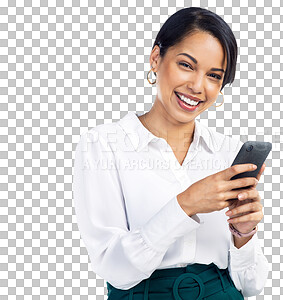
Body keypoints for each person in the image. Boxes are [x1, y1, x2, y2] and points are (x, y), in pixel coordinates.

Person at [73, 7, 270, 299]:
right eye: (186, 65)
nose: (197, 86)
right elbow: (115, 270)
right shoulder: (103, 146)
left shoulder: (227, 151)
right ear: (156, 59)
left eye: (214, 75)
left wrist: (243, 235)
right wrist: (186, 204)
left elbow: (252, 286)